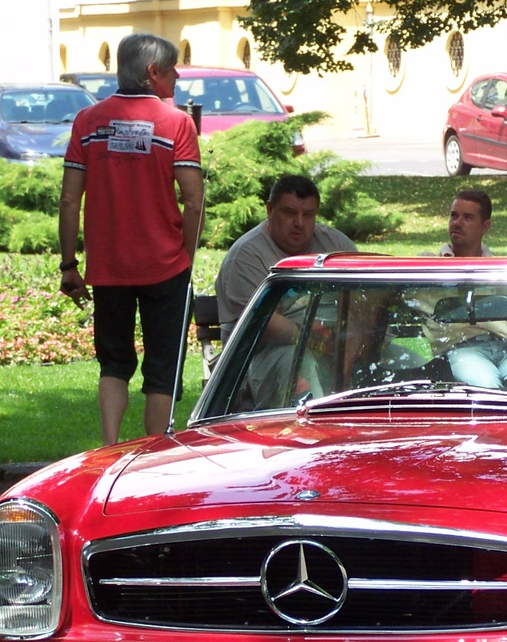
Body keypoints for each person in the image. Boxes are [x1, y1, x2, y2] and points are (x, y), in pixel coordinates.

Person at [59, 33, 204, 446]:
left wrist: (70, 264)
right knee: (162, 369)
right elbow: (193, 200)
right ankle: (153, 451)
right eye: (172, 68)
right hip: (166, 266)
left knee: (114, 363)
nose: (178, 75)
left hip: (108, 268)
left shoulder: (88, 121)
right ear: (152, 72)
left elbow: (70, 199)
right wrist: (187, 257)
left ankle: (109, 446)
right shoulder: (176, 122)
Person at [417, 188, 507, 390]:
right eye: (454, 215)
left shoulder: (499, 269)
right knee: (486, 389)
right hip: (460, 350)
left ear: (485, 227)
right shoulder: (427, 266)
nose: (457, 222)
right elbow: (382, 293)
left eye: (467, 217)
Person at [214, 174, 355, 342]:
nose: (299, 223)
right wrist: (312, 340)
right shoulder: (245, 256)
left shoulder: (337, 246)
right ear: (270, 210)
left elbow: (365, 298)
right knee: (299, 363)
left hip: (334, 345)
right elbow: (260, 320)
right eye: (290, 213)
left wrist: (355, 344)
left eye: (308, 214)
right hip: (261, 353)